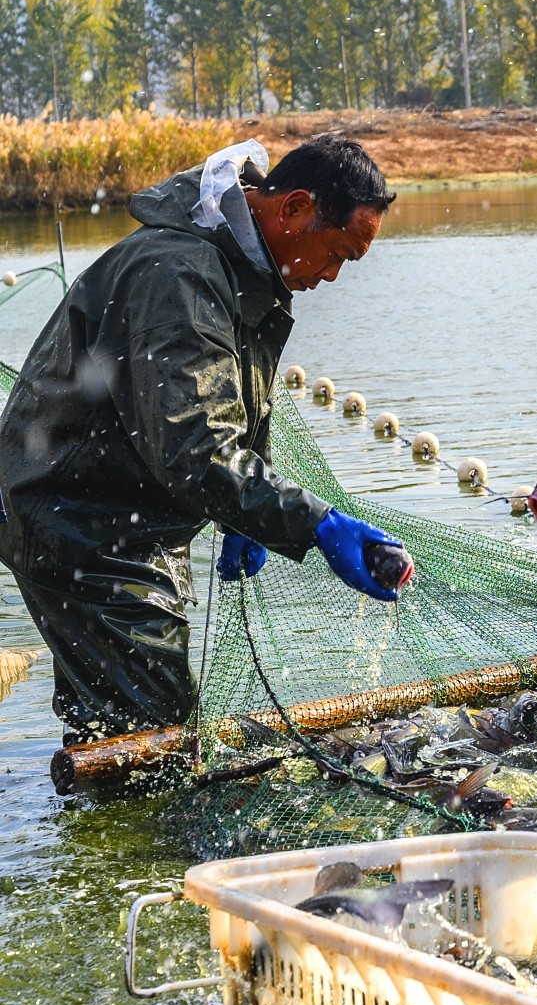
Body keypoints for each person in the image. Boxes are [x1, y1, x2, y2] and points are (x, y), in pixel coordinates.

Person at [0, 136, 411, 742]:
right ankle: (126, 826)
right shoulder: (181, 276)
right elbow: (194, 446)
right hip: (78, 522)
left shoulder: (236, 268)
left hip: (120, 513)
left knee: (110, 727)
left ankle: (94, 823)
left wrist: (247, 517)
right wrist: (316, 524)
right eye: (338, 254)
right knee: (155, 732)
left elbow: (230, 406)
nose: (330, 276)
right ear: (294, 209)